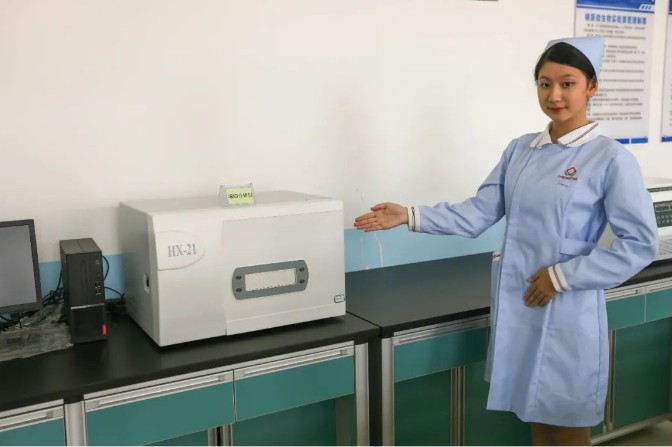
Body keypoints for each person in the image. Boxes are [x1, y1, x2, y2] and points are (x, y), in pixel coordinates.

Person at [353, 36, 658, 446]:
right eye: (545, 84)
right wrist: (409, 215)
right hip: (520, 304)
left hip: (567, 307)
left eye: (567, 83)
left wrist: (561, 277)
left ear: (592, 87)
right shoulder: (521, 150)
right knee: (535, 417)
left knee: (567, 423)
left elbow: (640, 243)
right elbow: (479, 212)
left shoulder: (610, 158)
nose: (554, 95)